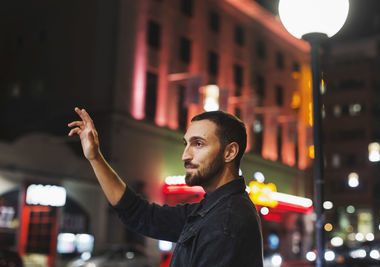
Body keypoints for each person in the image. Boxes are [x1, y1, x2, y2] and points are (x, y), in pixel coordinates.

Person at [68, 107, 263, 267]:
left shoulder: (226, 221)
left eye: (198, 144)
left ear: (229, 152)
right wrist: (95, 157)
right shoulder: (211, 210)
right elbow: (141, 214)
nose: (185, 155)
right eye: (186, 144)